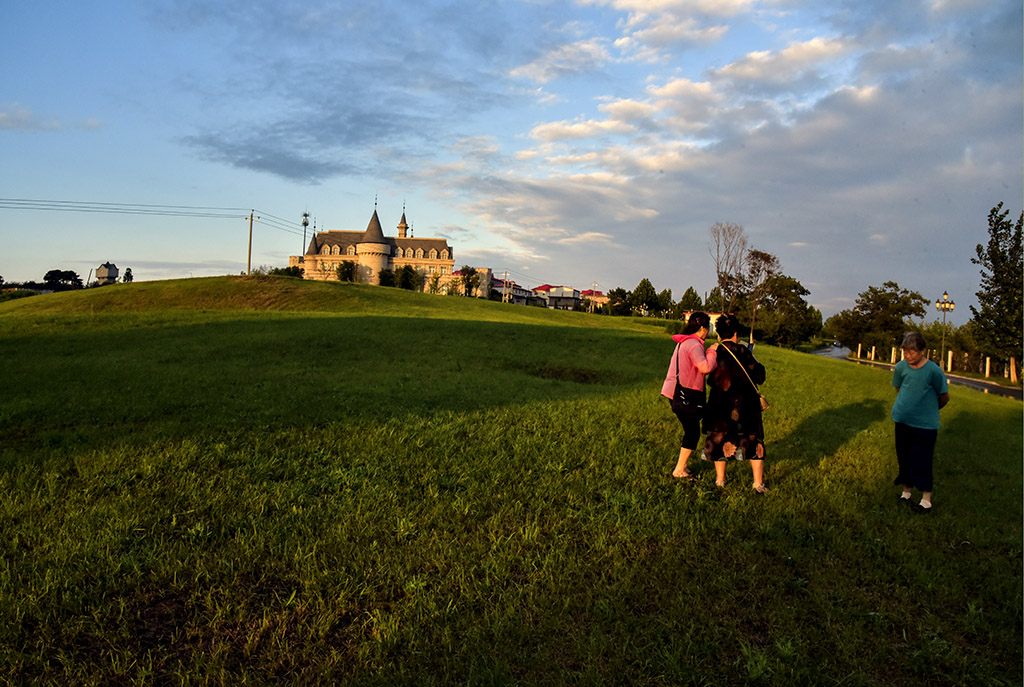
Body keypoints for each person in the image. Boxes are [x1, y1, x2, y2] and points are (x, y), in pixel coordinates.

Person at [702, 313, 768, 493]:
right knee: (753, 439)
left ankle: (720, 480)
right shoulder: (744, 352)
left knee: (719, 438)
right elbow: (760, 376)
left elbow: (710, 380)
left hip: (720, 404)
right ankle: (757, 483)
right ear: (736, 333)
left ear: (719, 333)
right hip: (745, 405)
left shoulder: (715, 352)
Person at [892, 331, 949, 514]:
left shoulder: (933, 371)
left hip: (925, 425)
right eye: (905, 352)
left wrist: (927, 410)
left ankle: (926, 500)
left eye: (912, 352)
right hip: (902, 420)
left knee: (922, 460)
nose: (908, 356)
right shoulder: (901, 367)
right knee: (904, 456)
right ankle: (906, 492)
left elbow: (944, 396)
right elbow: (899, 388)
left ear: (923, 351)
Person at [661, 312, 717, 481]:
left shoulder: (684, 342)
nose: (709, 331)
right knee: (692, 432)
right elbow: (705, 367)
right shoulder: (693, 344)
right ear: (703, 328)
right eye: (708, 327)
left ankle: (682, 466)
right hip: (685, 394)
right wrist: (712, 352)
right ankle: (679, 470)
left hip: (676, 391)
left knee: (691, 430)